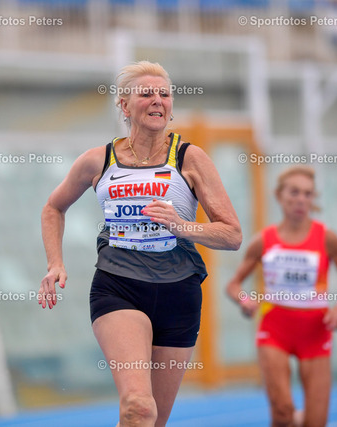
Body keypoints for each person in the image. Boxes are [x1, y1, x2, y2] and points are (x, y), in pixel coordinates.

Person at [39, 61, 241, 427]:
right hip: (119, 287)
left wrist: (182, 226)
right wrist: (55, 263)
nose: (157, 100)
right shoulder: (98, 160)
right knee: (138, 407)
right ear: (124, 105)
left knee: (152, 421)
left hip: (178, 292)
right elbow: (54, 207)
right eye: (146, 93)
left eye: (164, 94)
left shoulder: (190, 158)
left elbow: (232, 235)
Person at [225, 165, 337, 427]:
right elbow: (233, 284)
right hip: (275, 331)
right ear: (280, 196)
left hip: (316, 333)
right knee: (282, 412)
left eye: (308, 194)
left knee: (315, 422)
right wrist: (245, 301)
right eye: (294, 192)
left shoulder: (327, 238)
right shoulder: (264, 240)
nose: (301, 200)